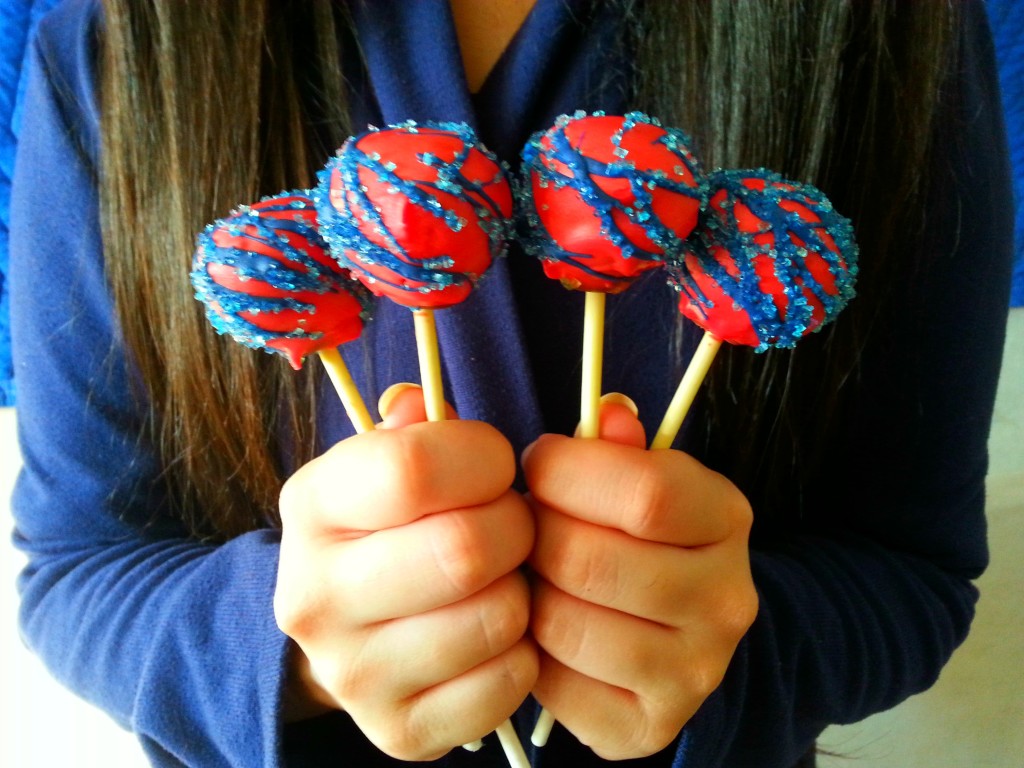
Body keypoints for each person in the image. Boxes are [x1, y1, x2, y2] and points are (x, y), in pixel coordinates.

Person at [8, 0, 1013, 766]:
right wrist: (284, 638)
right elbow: (81, 567)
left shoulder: (894, 27)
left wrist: (732, 642)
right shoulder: (116, 38)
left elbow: (913, 574)